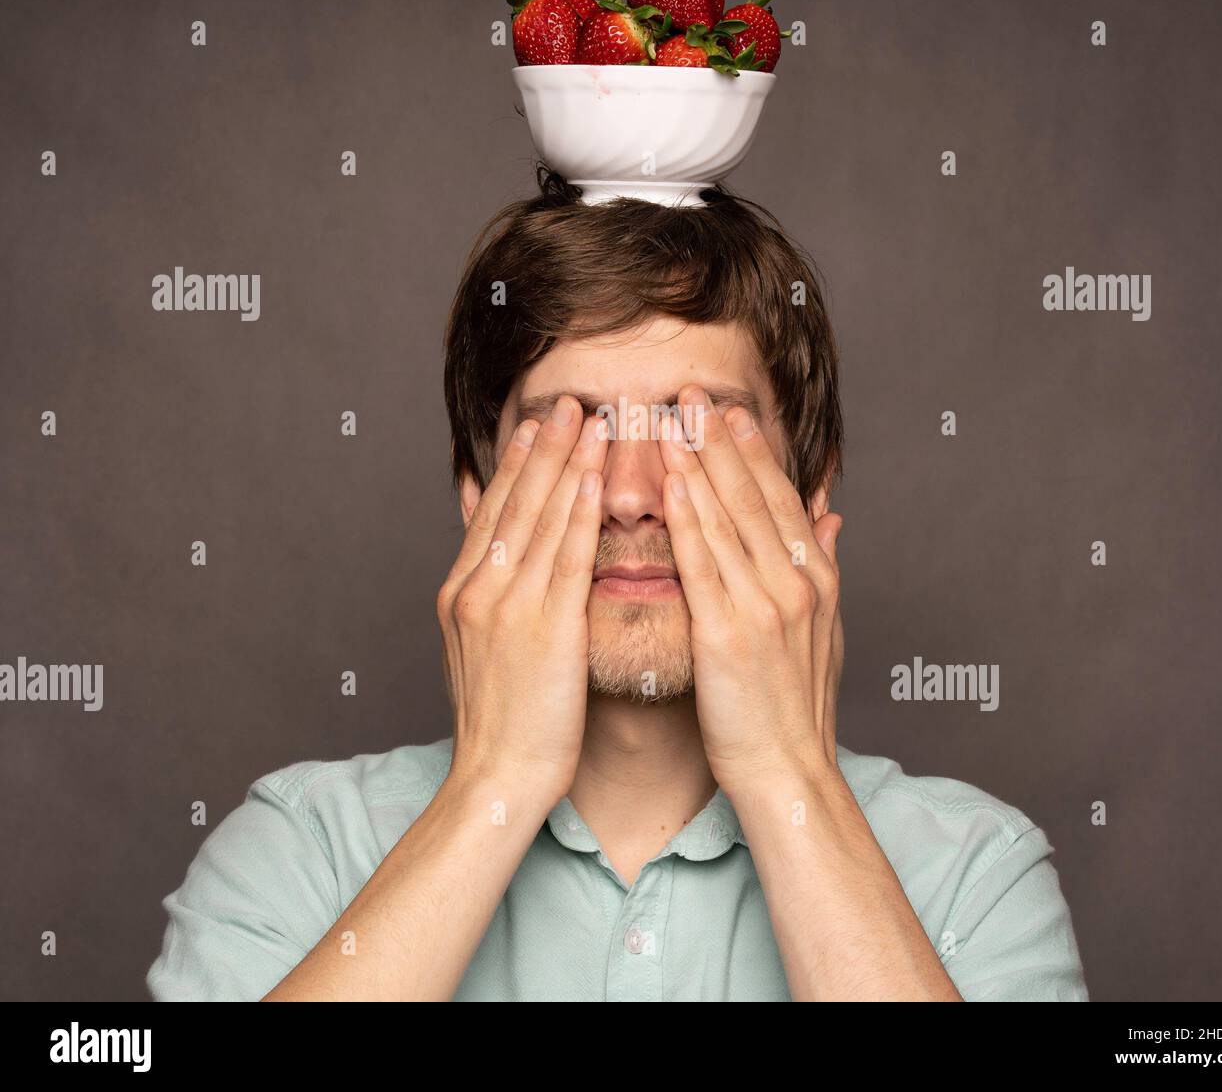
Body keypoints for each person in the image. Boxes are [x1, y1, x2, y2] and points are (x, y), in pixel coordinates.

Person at [147, 174, 1088, 1002]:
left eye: (697, 429)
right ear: (478, 498)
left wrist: (786, 775)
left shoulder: (974, 874)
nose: (633, 497)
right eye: (571, 428)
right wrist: (494, 788)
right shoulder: (303, 854)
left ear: (808, 494)